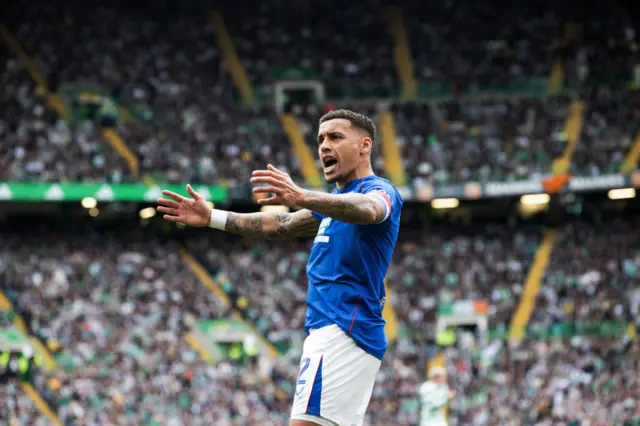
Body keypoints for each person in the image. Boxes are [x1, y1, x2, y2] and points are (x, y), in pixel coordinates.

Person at [157, 109, 403, 426]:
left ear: (364, 145)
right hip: (332, 330)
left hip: (344, 329)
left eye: (336, 137)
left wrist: (302, 195)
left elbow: (370, 210)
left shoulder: (380, 191)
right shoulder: (333, 203)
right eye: (320, 139)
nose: (324, 146)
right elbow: (281, 222)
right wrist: (212, 217)